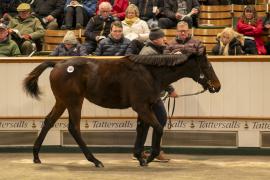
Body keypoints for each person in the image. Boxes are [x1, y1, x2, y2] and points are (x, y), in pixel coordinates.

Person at [137, 26, 178, 162]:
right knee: (160, 120)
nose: (165, 39)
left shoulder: (151, 50)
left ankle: (139, 151)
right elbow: (158, 76)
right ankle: (156, 151)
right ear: (155, 39)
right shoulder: (150, 53)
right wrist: (170, 89)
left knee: (144, 123)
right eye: (162, 37)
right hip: (150, 94)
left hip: (145, 94)